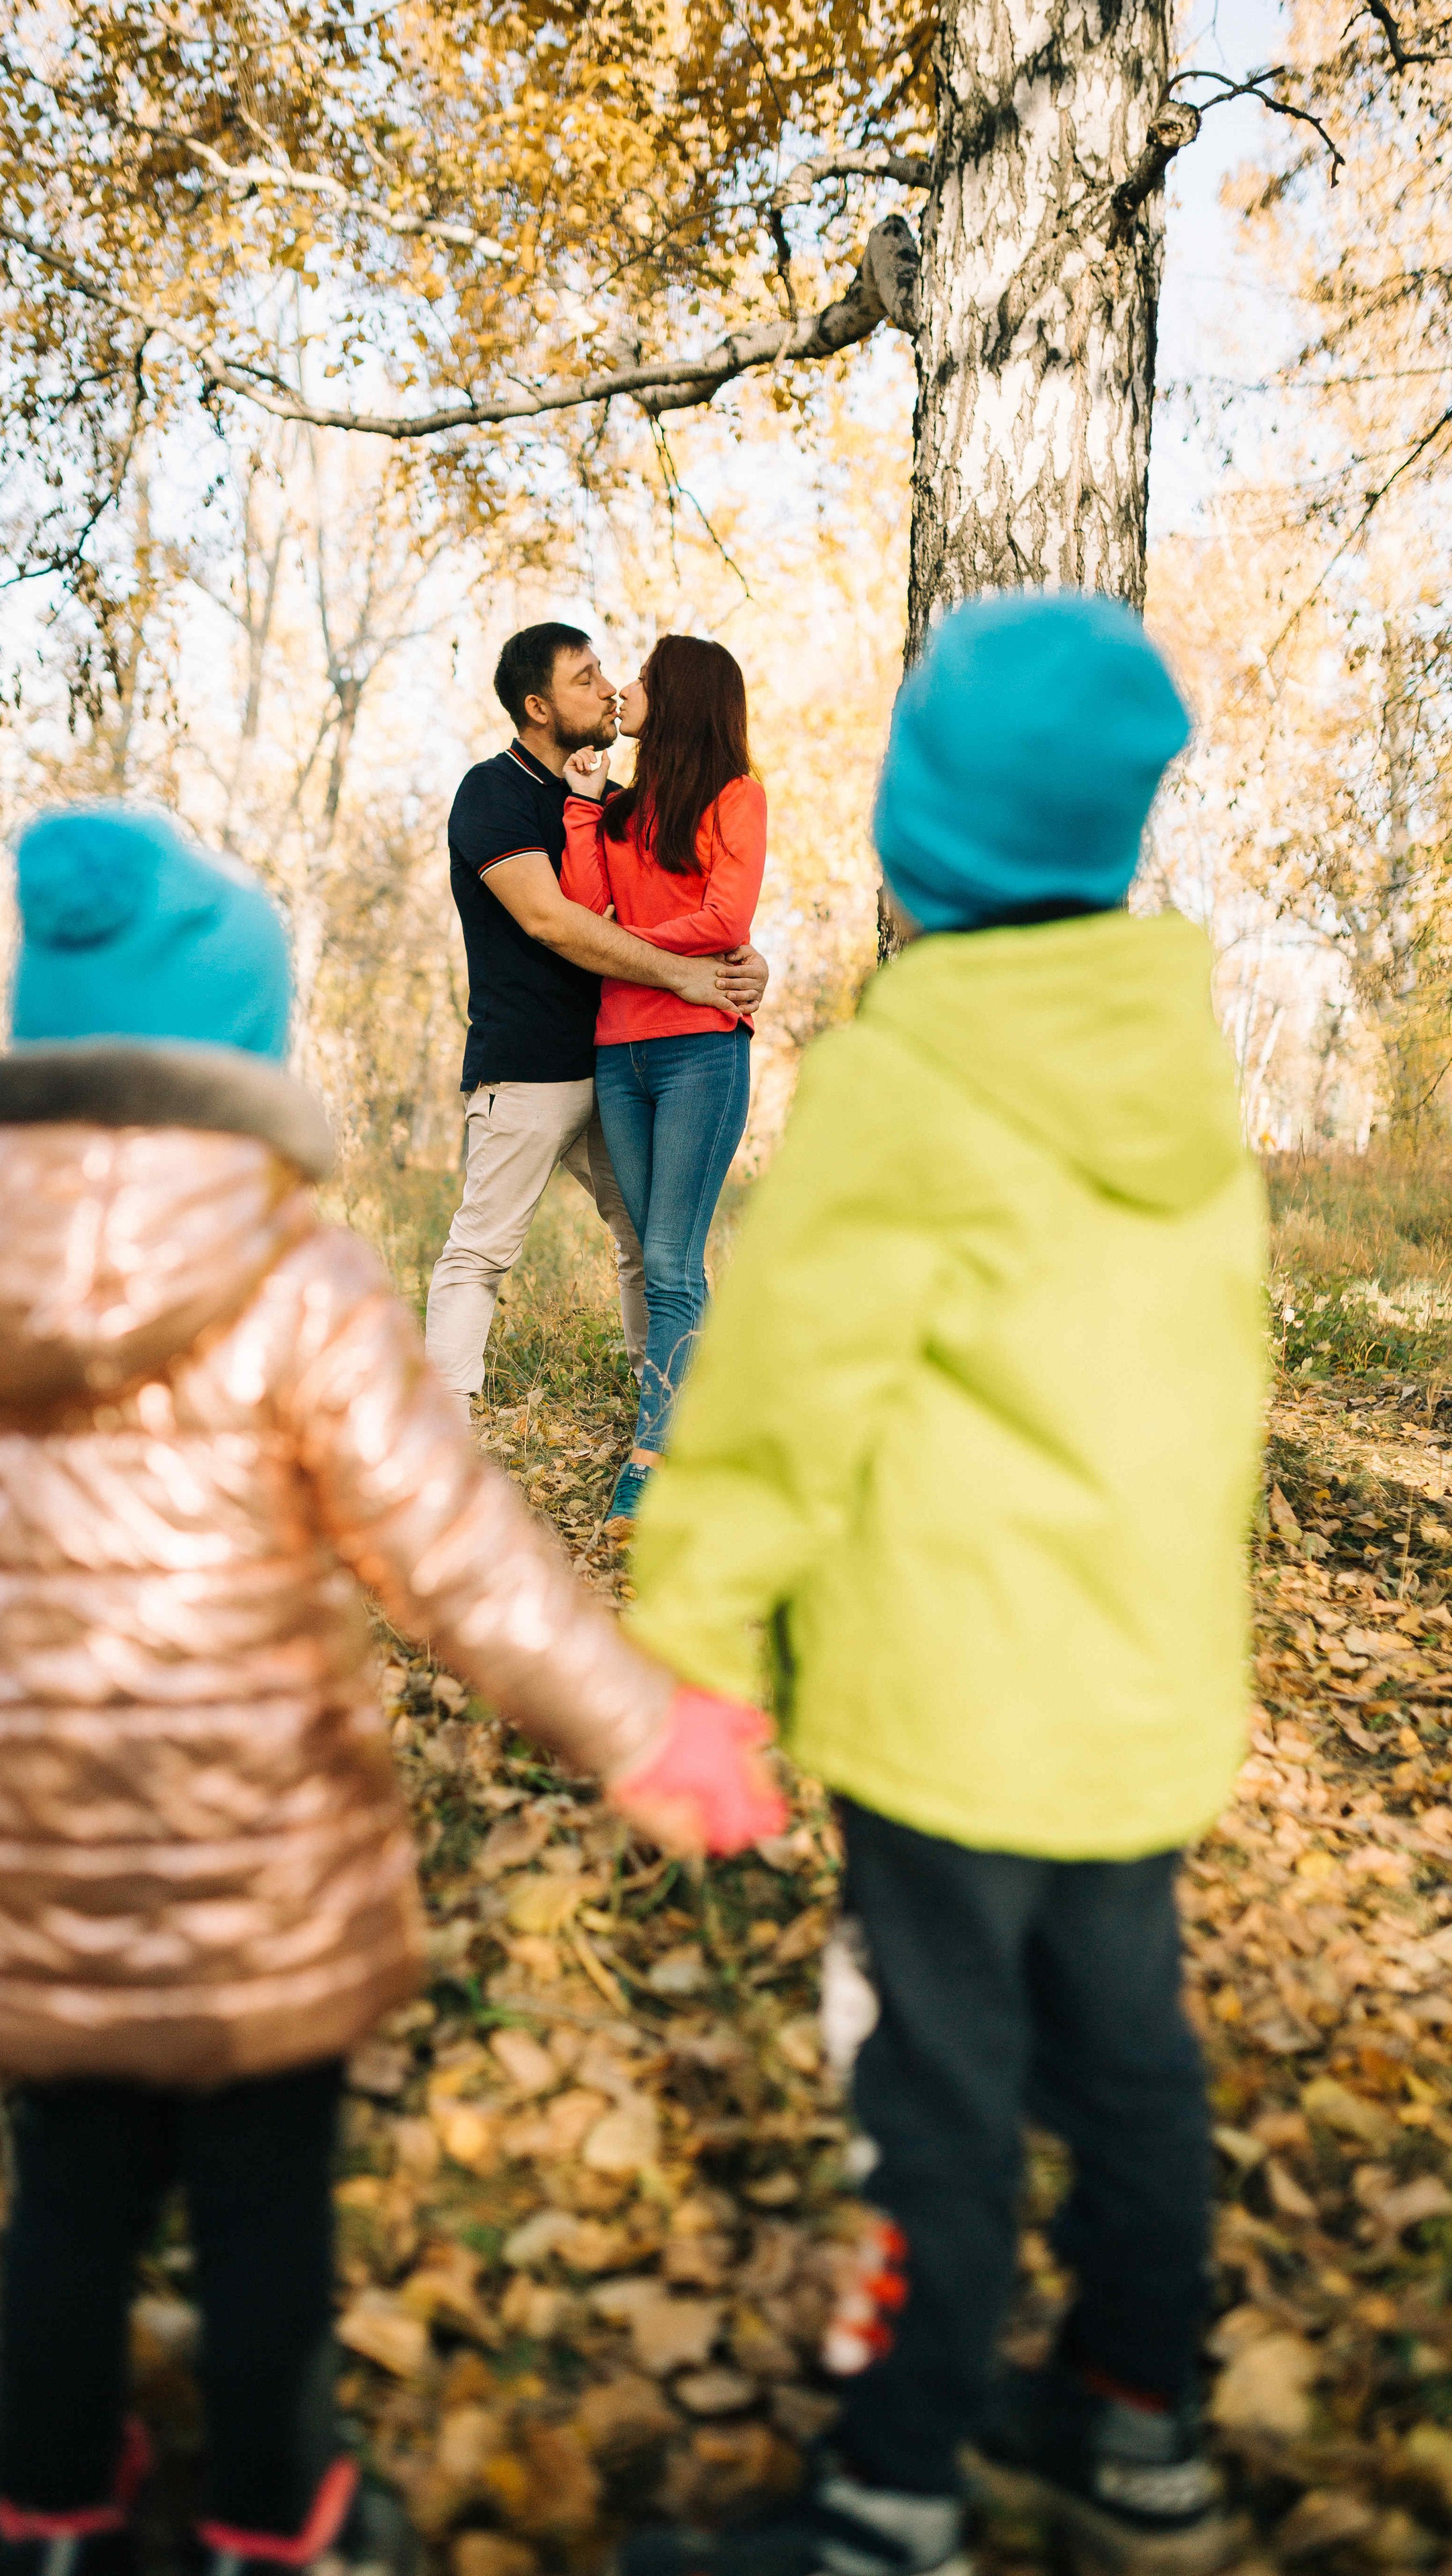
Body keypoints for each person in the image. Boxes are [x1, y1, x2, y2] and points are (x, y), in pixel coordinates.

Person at [0, 802, 787, 2576]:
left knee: (70, 2200)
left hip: (28, 1864)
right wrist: (637, 1723)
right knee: (263, 2217)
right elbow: (456, 1555)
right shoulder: (293, 1276)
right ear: (242, 1055)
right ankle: (273, 2517)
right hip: (256, 1888)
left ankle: (46, 2503)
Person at [618, 594, 1268, 2576]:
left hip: (949, 1709)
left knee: (939, 2100)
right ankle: (1141, 2424)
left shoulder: (910, 1079)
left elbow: (774, 1400)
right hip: (1132, 1710)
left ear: (916, 833)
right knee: (1136, 2073)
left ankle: (890, 2490)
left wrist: (695, 1657)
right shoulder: (1181, 1077)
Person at [425, 622, 769, 1419]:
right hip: (528, 1066)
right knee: (482, 1249)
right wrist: (685, 972)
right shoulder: (493, 792)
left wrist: (746, 966)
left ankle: (670, 1413)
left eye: (608, 671)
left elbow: (689, 905)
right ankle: (441, 1428)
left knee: (651, 1252)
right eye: (586, 679)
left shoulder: (609, 805)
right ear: (538, 707)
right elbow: (556, 922)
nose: (609, 687)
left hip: (621, 1063)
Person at [559, 635, 765, 1529]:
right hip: (619, 1051)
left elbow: (728, 918)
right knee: (657, 1258)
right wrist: (578, 805)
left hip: (700, 1053)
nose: (626, 688)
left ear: (680, 697)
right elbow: (577, 909)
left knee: (675, 1258)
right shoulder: (619, 807)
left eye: (643, 676)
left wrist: (630, 947)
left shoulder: (736, 799)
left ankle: (651, 1461)